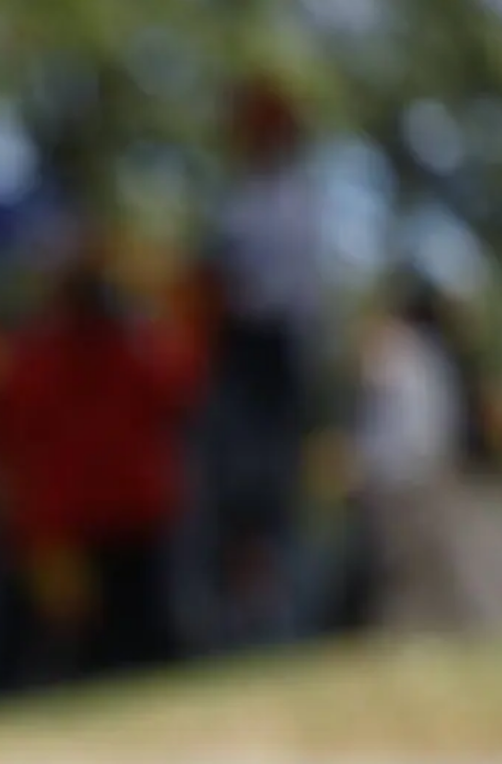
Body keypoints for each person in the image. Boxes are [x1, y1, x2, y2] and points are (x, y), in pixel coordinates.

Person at [0, 239, 203, 690]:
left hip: (79, 523)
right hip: (113, 521)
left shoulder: (34, 357)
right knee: (131, 648)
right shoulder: (135, 349)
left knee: (83, 653)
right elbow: (182, 384)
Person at [187, 77, 326, 651]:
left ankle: (275, 618)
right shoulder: (242, 196)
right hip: (238, 358)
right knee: (231, 496)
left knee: (265, 493)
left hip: (269, 357)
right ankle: (240, 617)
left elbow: (275, 295)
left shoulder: (293, 199)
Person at [350, 280, 480, 633]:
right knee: (401, 575)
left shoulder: (420, 352)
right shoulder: (403, 349)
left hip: (416, 476)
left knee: (427, 573)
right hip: (401, 479)